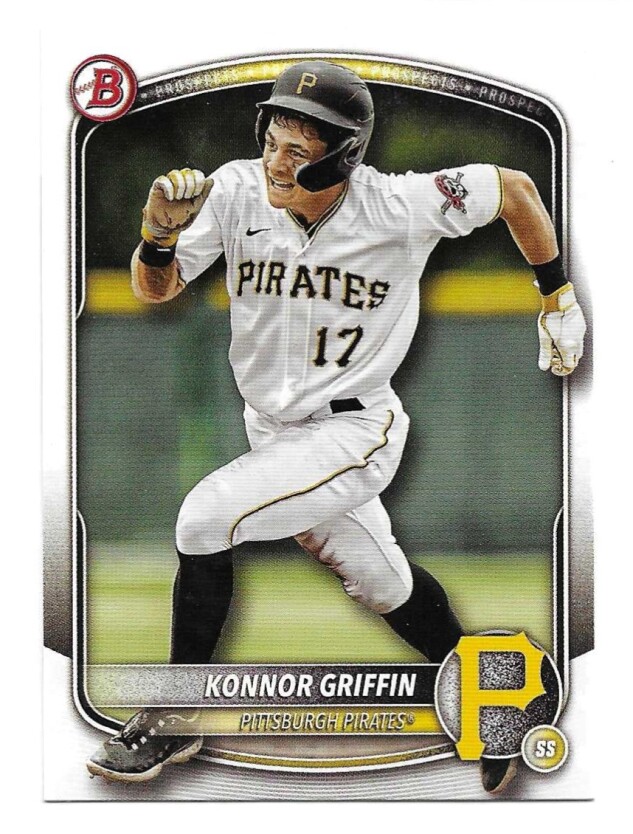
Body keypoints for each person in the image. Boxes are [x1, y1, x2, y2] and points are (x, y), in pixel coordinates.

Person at [86, 61, 586, 793]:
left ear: (342, 154)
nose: (276, 160)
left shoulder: (399, 205)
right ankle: (502, 707)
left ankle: (175, 714)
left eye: (298, 149)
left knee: (203, 518)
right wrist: (158, 234)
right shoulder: (235, 190)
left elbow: (513, 189)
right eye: (271, 140)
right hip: (273, 433)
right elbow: (153, 289)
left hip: (354, 433)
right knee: (383, 583)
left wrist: (557, 295)